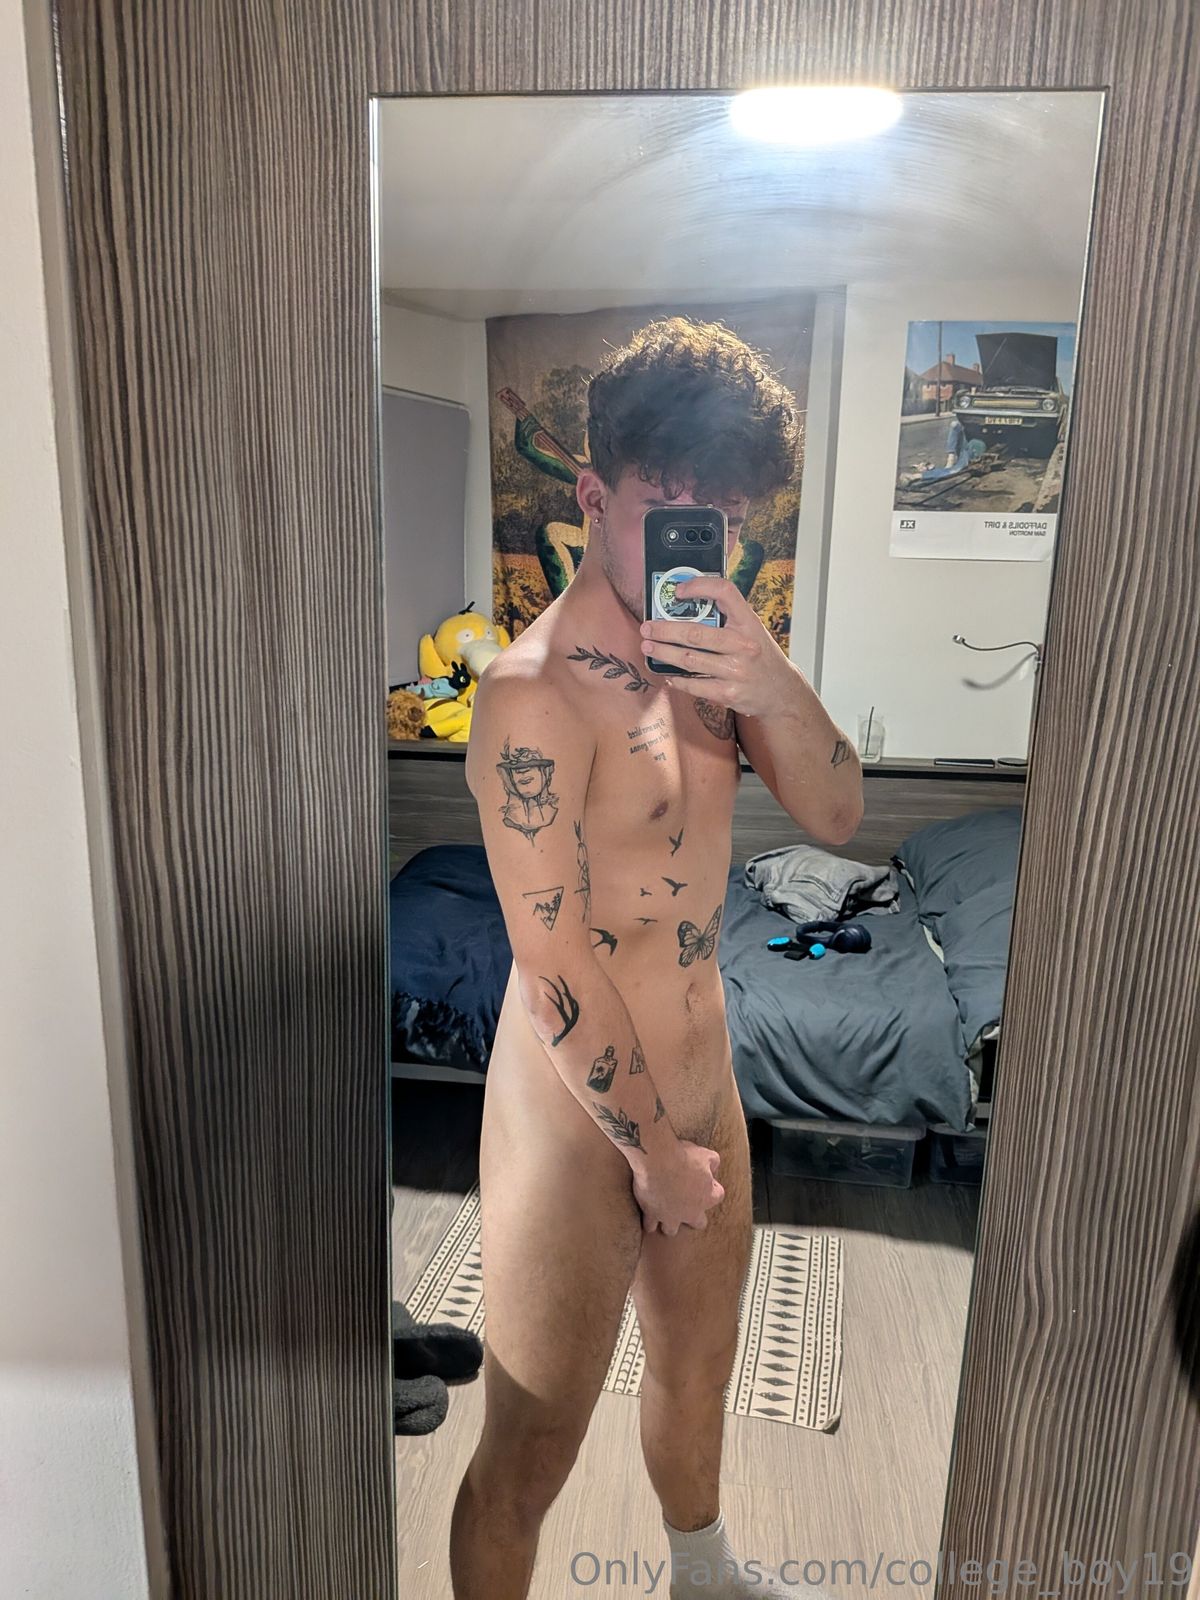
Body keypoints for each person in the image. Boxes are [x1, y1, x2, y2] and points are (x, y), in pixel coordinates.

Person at [454, 317, 864, 1600]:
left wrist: (767, 674)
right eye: (667, 509)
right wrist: (649, 1155)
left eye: (721, 520)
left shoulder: (720, 665)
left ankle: (704, 1576)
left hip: (703, 1077)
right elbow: (550, 958)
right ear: (592, 496)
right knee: (529, 1450)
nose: (697, 544)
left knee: (697, 1374)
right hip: (576, 1115)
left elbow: (839, 813)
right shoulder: (532, 694)